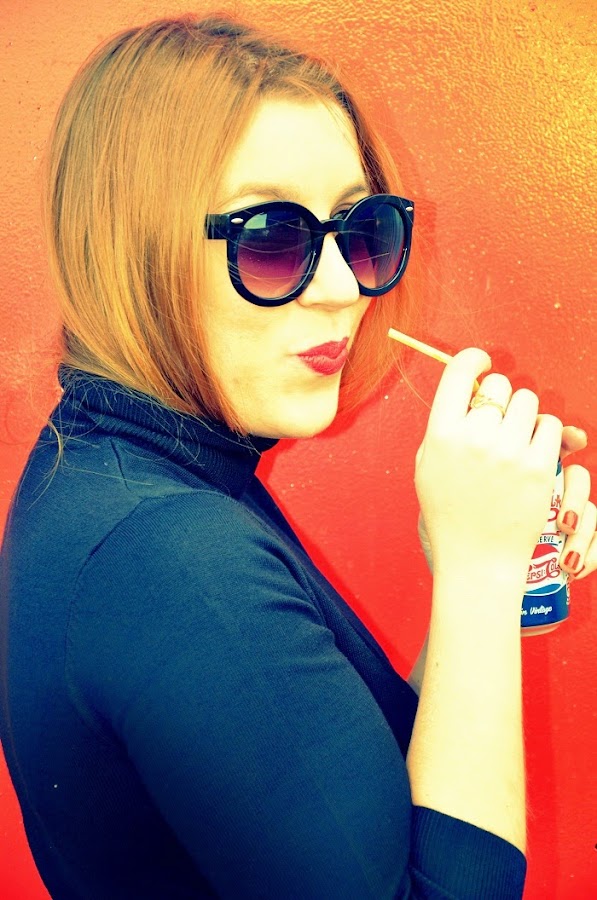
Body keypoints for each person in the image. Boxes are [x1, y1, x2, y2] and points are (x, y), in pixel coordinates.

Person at [0, 14, 595, 900]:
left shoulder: (123, 476)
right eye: (271, 236)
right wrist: (478, 572)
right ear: (135, 247)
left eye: (361, 228)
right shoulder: (168, 553)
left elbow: (363, 813)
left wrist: (486, 572)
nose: (344, 287)